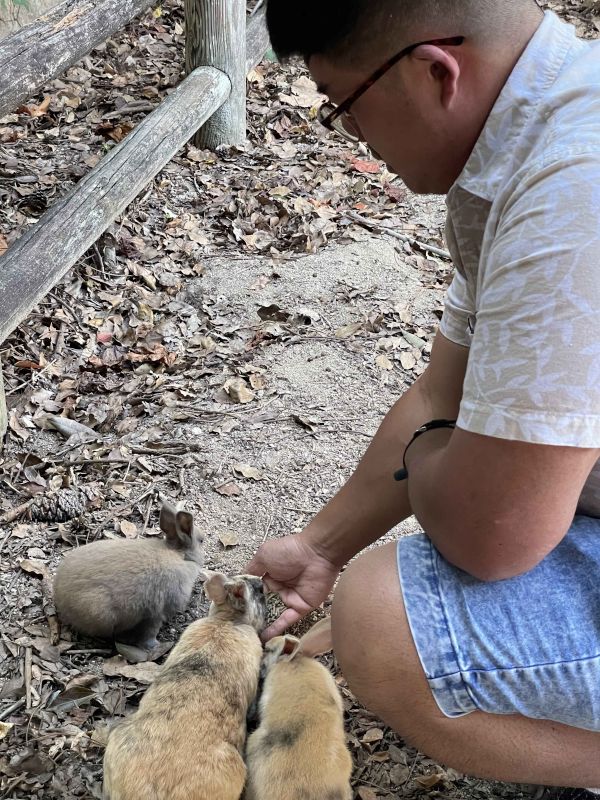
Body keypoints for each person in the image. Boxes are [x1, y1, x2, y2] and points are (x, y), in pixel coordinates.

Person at [247, 1, 600, 797]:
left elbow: (494, 533)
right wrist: (321, 547)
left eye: (342, 105)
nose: (349, 134)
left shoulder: (574, 194)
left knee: (383, 621)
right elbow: (440, 391)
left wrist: (437, 454)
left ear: (434, 72)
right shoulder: (535, 137)